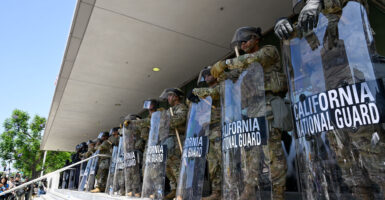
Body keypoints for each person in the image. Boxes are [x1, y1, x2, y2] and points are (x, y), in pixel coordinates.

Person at [205, 26, 291, 199]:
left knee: (273, 155)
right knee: (251, 155)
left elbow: (254, 59)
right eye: (240, 42)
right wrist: (216, 75)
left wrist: (226, 63)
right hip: (251, 113)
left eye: (246, 40)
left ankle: (279, 194)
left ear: (256, 38)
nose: (242, 44)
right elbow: (229, 77)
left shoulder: (268, 51)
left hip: (268, 108)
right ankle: (249, 190)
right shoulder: (243, 64)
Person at [191, 67, 222, 200]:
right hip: (208, 131)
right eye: (205, 75)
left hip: (221, 128)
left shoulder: (222, 86)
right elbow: (199, 115)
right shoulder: (203, 96)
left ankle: (230, 190)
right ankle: (217, 192)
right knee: (213, 164)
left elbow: (214, 93)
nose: (207, 77)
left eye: (209, 74)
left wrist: (195, 92)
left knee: (224, 160)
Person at [159, 88, 188, 199]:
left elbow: (179, 119)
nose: (168, 98)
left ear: (176, 97)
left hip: (176, 140)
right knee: (168, 167)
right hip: (167, 140)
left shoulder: (181, 107)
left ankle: (181, 191)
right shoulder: (168, 111)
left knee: (176, 166)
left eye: (170, 96)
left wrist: (165, 121)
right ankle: (174, 189)